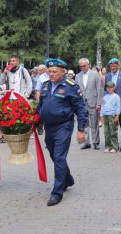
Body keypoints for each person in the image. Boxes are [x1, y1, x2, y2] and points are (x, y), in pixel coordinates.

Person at [37, 58, 87, 206]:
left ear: (63, 72)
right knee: (54, 154)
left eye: (54, 72)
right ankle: (68, 179)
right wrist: (35, 119)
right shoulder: (45, 86)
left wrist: (81, 130)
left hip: (63, 126)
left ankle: (57, 192)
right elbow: (41, 106)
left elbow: (81, 109)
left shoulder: (71, 86)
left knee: (59, 156)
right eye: (49, 72)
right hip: (49, 127)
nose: (51, 74)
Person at [75, 58, 102, 150]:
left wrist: (99, 103)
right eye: (81, 66)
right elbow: (76, 90)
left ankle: (96, 142)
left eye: (84, 66)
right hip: (82, 103)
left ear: (88, 65)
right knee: (84, 123)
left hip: (93, 102)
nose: (83, 68)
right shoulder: (77, 76)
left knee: (94, 123)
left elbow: (99, 89)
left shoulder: (95, 74)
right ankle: (86, 142)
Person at [105, 58, 121, 151]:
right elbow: (105, 90)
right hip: (110, 105)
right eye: (111, 66)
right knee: (112, 125)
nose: (113, 68)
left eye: (114, 66)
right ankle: (113, 144)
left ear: (118, 66)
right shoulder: (107, 76)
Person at [100, 81, 121, 153]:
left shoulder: (116, 96)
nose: (108, 89)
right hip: (105, 115)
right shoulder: (105, 97)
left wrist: (117, 116)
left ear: (114, 88)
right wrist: (101, 116)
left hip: (112, 115)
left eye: (110, 87)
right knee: (106, 132)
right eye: (107, 87)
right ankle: (108, 146)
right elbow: (102, 106)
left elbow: (118, 107)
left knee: (113, 131)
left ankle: (114, 146)